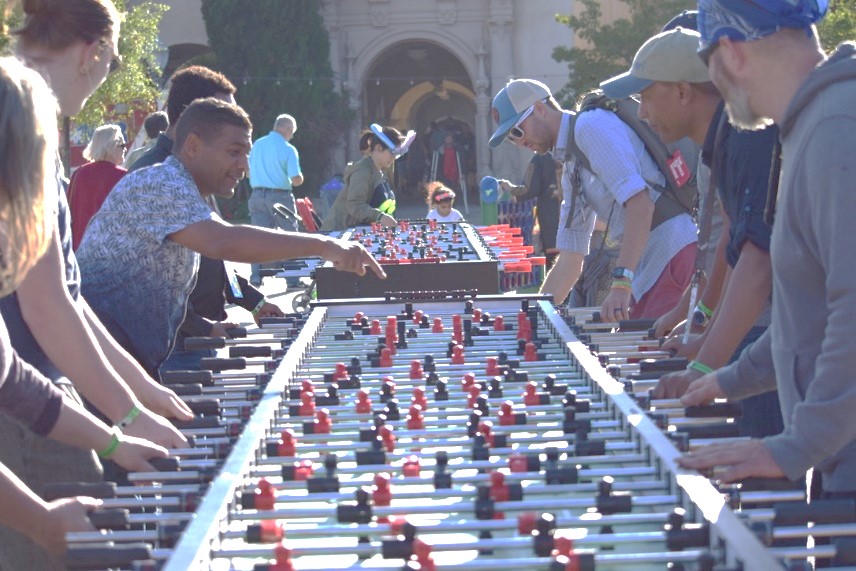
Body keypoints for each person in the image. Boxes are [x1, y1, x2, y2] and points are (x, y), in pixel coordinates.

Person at [673, 1, 856, 499]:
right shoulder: (811, 122)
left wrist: (793, 448)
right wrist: (735, 377)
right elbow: (810, 313)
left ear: (729, 53)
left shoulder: (836, 126)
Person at [77, 98, 386, 376]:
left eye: (246, 154)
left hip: (117, 359)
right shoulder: (162, 182)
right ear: (193, 146)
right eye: (234, 152)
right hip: (94, 360)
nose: (244, 166)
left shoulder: (184, 190)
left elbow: (154, 280)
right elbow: (223, 242)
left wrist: (205, 324)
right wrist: (326, 245)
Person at [600, 26, 783, 440]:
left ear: (684, 92)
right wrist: (702, 338)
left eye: (646, 97)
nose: (642, 113)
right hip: (779, 330)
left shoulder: (748, 135)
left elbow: (756, 262)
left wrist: (703, 365)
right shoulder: (727, 138)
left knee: (771, 477)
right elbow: (731, 247)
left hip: (798, 332)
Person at [489, 79, 698, 321]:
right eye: (511, 139)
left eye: (517, 130)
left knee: (650, 353)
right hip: (651, 265)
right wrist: (533, 317)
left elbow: (640, 205)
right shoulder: (570, 164)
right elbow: (571, 257)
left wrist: (620, 285)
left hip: (673, 254)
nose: (520, 142)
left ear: (539, 108)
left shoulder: (590, 127)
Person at [128, 65, 236, 172]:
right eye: (223, 118)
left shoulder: (195, 167)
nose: (232, 127)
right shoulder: (151, 174)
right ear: (191, 116)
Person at [321, 124, 414, 231]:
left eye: (397, 154)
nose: (394, 158)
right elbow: (355, 205)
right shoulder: (363, 171)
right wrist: (379, 217)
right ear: (378, 147)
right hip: (339, 233)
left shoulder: (381, 169)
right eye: (392, 153)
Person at [247, 114, 304, 286]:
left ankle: (256, 277)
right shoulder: (288, 149)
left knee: (258, 238)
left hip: (256, 195)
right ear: (286, 129)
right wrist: (301, 178)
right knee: (290, 238)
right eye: (292, 132)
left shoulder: (257, 144)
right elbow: (296, 179)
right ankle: (292, 279)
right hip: (280, 197)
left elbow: (248, 171)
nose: (292, 136)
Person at [67, 123, 127, 249]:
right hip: (111, 249)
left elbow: (70, 212)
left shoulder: (79, 173)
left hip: (80, 249)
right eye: (121, 145)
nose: (125, 148)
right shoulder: (123, 177)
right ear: (111, 146)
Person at [498, 152, 561, 268]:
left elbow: (530, 189)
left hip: (551, 216)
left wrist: (511, 188)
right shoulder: (576, 149)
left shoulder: (542, 157)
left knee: (554, 263)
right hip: (579, 217)